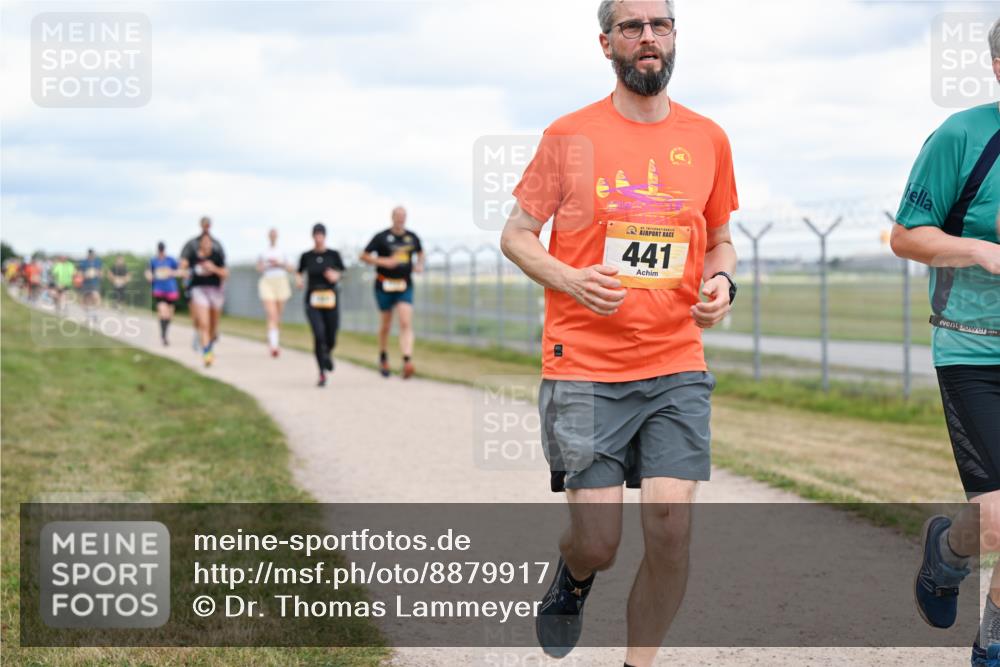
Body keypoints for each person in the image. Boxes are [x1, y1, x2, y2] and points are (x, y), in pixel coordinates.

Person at [500, 2, 739, 664]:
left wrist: (723, 285)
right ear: (606, 43)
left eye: (659, 26)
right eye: (632, 28)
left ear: (673, 38)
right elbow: (516, 235)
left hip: (675, 362)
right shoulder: (568, 135)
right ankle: (573, 576)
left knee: (670, 526)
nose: (647, 38)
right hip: (583, 366)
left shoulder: (709, 137)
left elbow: (721, 242)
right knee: (598, 540)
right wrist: (571, 280)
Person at [891, 18, 1000, 666]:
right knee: (994, 519)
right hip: (971, 349)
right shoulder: (962, 137)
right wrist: (978, 250)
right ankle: (948, 554)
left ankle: (990, 642)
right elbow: (907, 235)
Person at [360, 206, 424, 378]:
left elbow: (421, 253)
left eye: (404, 216)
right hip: (384, 285)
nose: (401, 219)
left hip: (404, 285)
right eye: (398, 216)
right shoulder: (381, 237)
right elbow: (363, 256)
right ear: (392, 217)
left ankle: (407, 360)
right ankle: (383, 356)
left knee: (405, 322)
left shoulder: (412, 237)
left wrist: (419, 264)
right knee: (386, 325)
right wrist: (383, 261)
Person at [297, 223, 345, 387]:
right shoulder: (306, 256)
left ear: (325, 236)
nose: (318, 238)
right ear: (312, 236)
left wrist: (335, 276)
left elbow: (342, 272)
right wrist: (299, 280)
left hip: (330, 297)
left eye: (321, 235)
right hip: (313, 299)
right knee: (318, 334)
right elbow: (299, 271)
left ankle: (327, 353)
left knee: (331, 334)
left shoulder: (333, 255)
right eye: (316, 235)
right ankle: (321, 372)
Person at [181, 216, 226, 351]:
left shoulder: (217, 246)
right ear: (201, 225)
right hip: (196, 287)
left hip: (215, 289)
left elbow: (224, 270)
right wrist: (185, 269)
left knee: (212, 322)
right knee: (199, 318)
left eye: (208, 225)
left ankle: (207, 339)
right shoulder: (191, 244)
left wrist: (213, 269)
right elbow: (183, 263)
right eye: (204, 224)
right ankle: (199, 337)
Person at [257, 228, 294, 357]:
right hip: (267, 281)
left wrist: (280, 263)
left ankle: (274, 338)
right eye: (271, 234)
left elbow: (291, 268)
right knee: (271, 314)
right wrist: (266, 265)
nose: (273, 236)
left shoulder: (282, 252)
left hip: (281, 281)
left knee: (278, 315)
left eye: (274, 235)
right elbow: (259, 267)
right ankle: (274, 346)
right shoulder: (263, 252)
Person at [145, 242, 180, 346]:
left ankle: (165, 333)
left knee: (169, 315)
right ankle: (164, 336)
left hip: (171, 290)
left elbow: (180, 271)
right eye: (160, 250)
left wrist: (171, 272)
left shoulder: (171, 260)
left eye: (162, 250)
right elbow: (148, 272)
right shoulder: (153, 261)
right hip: (159, 289)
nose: (161, 252)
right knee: (163, 312)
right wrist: (149, 276)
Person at [77, 249, 104, 325]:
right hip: (86, 283)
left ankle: (94, 314)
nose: (91, 256)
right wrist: (85, 275)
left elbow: (101, 272)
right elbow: (79, 273)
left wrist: (98, 274)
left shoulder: (98, 262)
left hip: (95, 283)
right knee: (86, 300)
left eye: (92, 255)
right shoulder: (83, 262)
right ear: (88, 255)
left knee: (96, 297)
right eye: (90, 255)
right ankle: (88, 316)